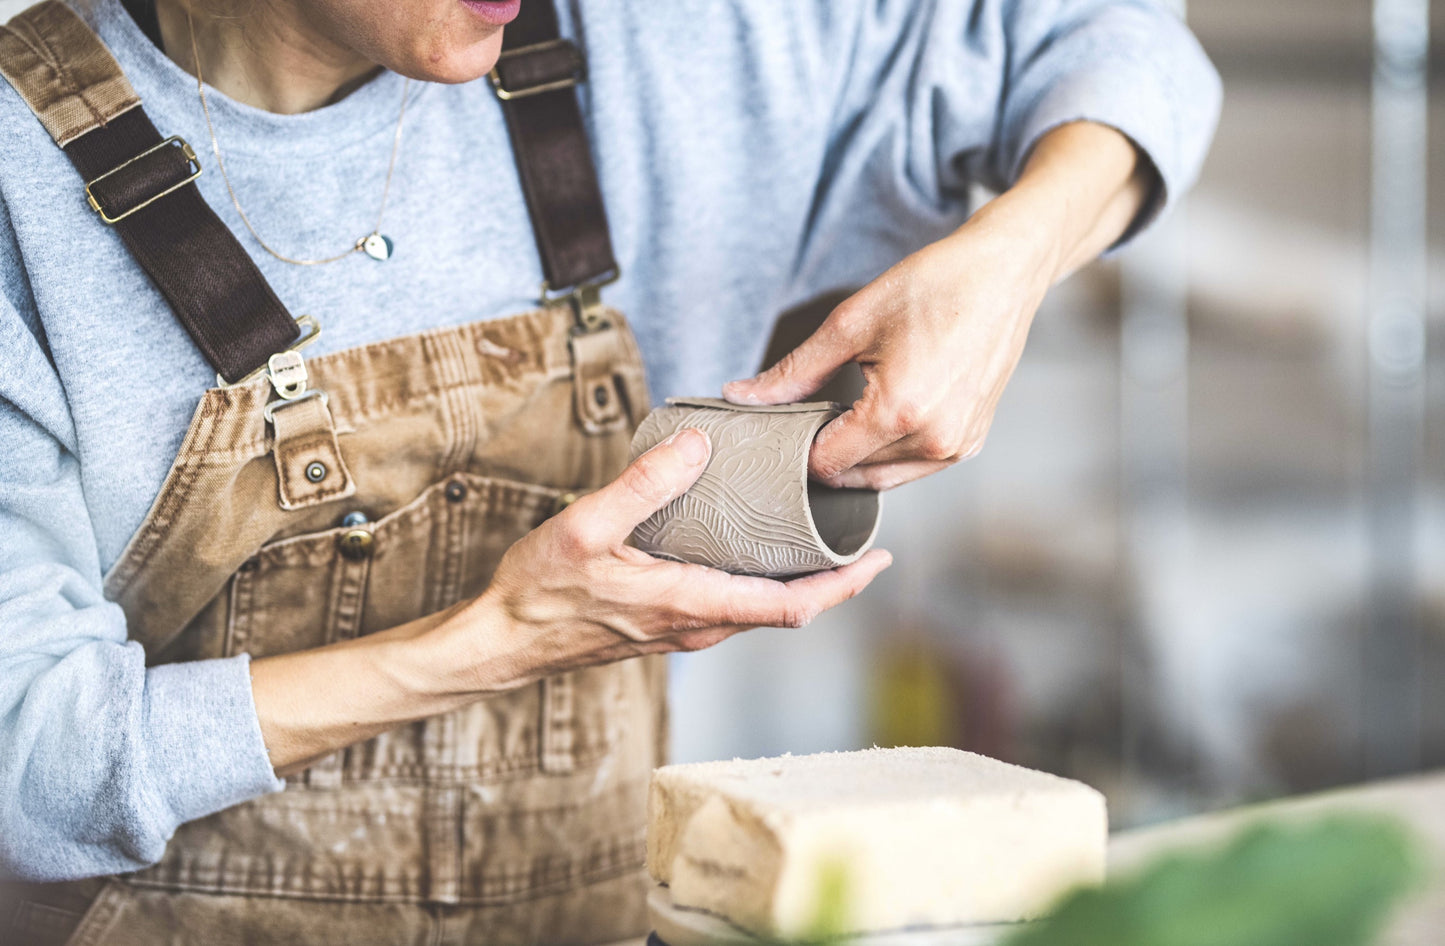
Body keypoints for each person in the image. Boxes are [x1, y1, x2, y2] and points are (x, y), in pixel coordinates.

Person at [0, 0, 1220, 941]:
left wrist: (1013, 254)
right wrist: (497, 637)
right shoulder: (23, 184)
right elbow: (28, 763)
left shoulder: (669, 44)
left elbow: (1108, 36)